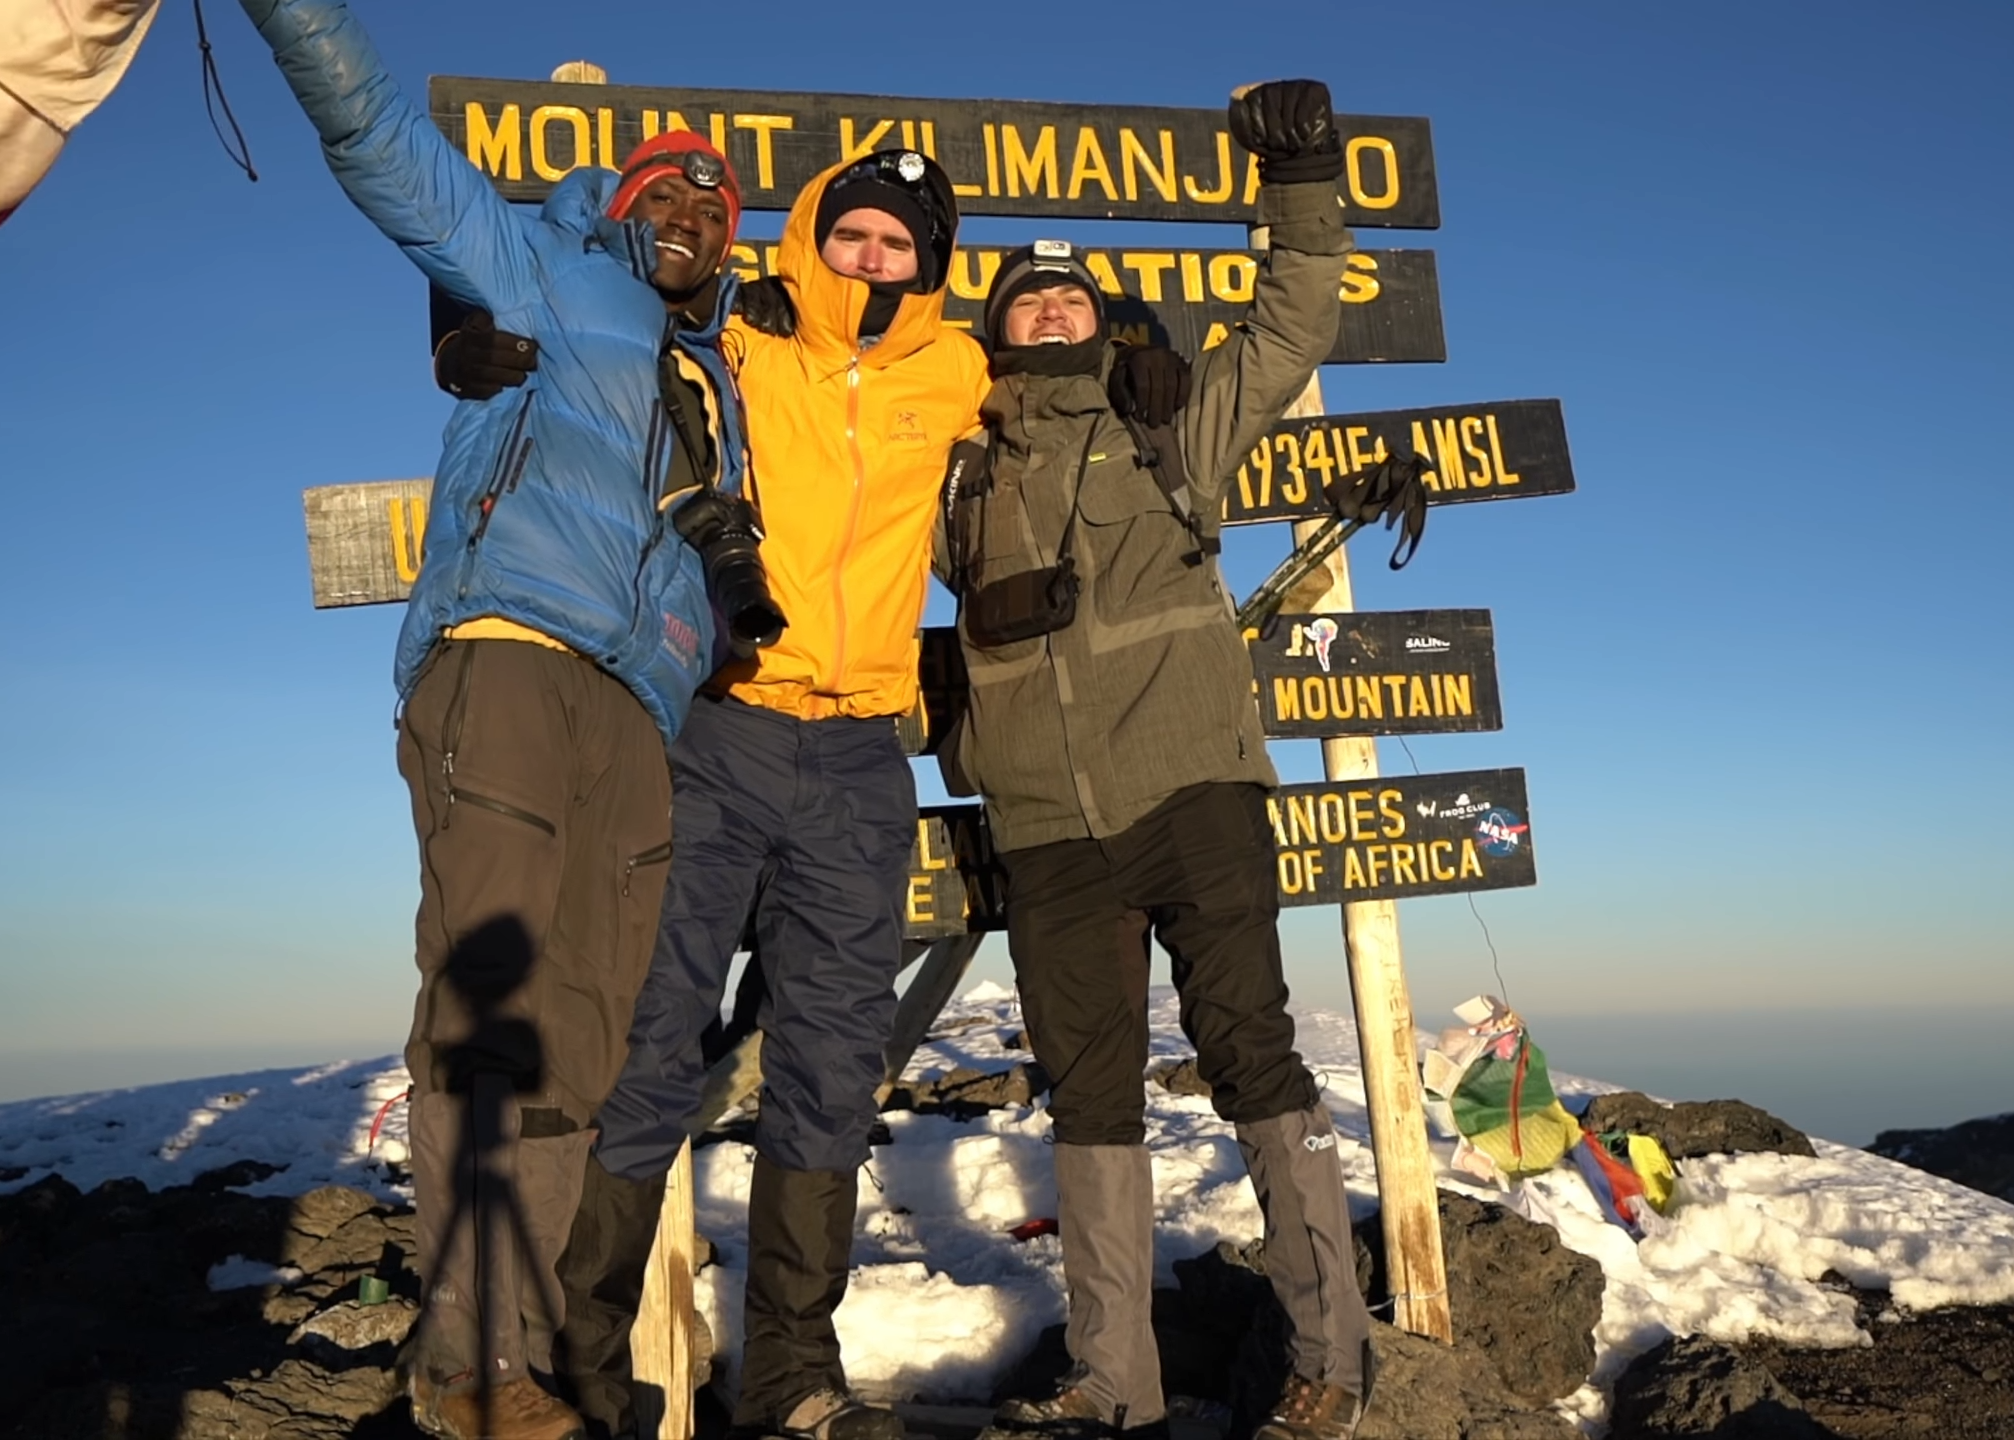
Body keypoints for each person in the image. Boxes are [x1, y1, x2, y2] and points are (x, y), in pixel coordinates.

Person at [233, 5, 770, 1439]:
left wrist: (722, 612)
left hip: (639, 720)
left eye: (718, 211)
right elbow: (378, 141)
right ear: (621, 200)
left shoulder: (713, 380)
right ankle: (464, 1365)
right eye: (672, 191)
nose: (697, 218)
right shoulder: (537, 266)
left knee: (583, 1043)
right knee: (493, 1010)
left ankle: (511, 1363)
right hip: (513, 653)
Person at [437, 149, 990, 1440]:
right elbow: (590, 312)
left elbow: (1061, 388)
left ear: (927, 264)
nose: (869, 259)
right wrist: (463, 337)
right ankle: (580, 1370)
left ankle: (794, 1374)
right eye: (849, 234)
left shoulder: (957, 371)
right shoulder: (738, 334)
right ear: (809, 238)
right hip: (723, 725)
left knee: (831, 1067)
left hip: (861, 757)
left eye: (896, 245)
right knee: (651, 1033)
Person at [933, 81, 1377, 1440]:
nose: (1050, 311)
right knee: (1092, 1095)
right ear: (995, 332)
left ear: (1106, 317)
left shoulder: (1173, 424)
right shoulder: (953, 468)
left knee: (1253, 1059)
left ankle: (1333, 1362)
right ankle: (1112, 1383)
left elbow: (1299, 310)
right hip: (1048, 827)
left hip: (1194, 792)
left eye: (1071, 297)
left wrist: (1299, 169)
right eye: (1026, 301)